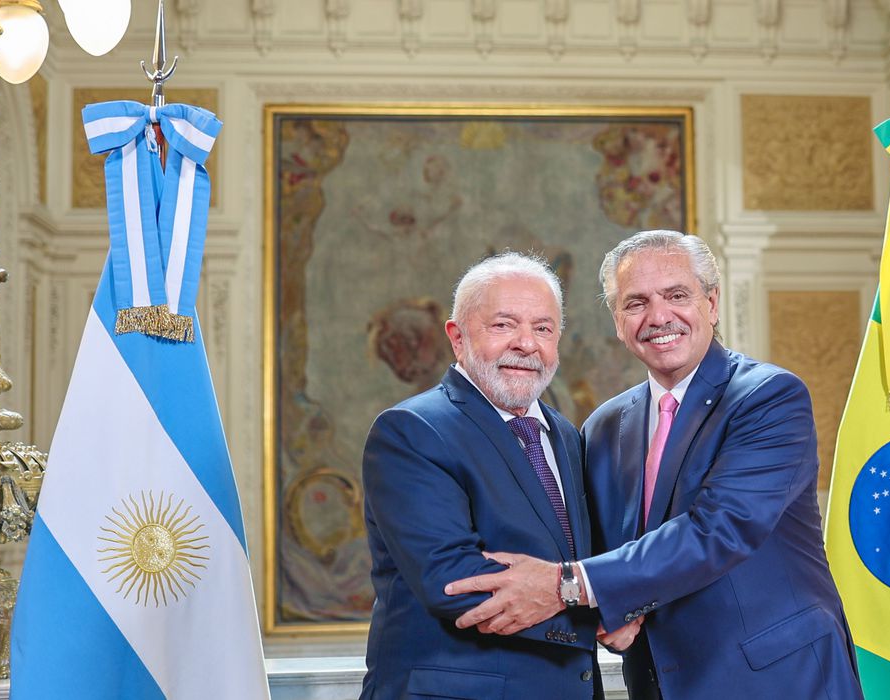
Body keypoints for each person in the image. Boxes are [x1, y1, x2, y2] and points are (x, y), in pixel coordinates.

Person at [444, 231, 863, 699]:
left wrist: (567, 586)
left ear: (712, 304)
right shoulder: (603, 427)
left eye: (677, 295)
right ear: (618, 322)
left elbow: (720, 530)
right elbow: (601, 549)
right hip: (657, 683)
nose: (658, 316)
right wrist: (602, 613)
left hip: (780, 680)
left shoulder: (769, 397)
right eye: (636, 303)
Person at [360, 252, 603, 699]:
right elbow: (454, 582)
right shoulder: (412, 430)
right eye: (504, 325)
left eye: (543, 328)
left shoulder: (566, 435)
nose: (526, 344)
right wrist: (599, 608)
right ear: (457, 337)